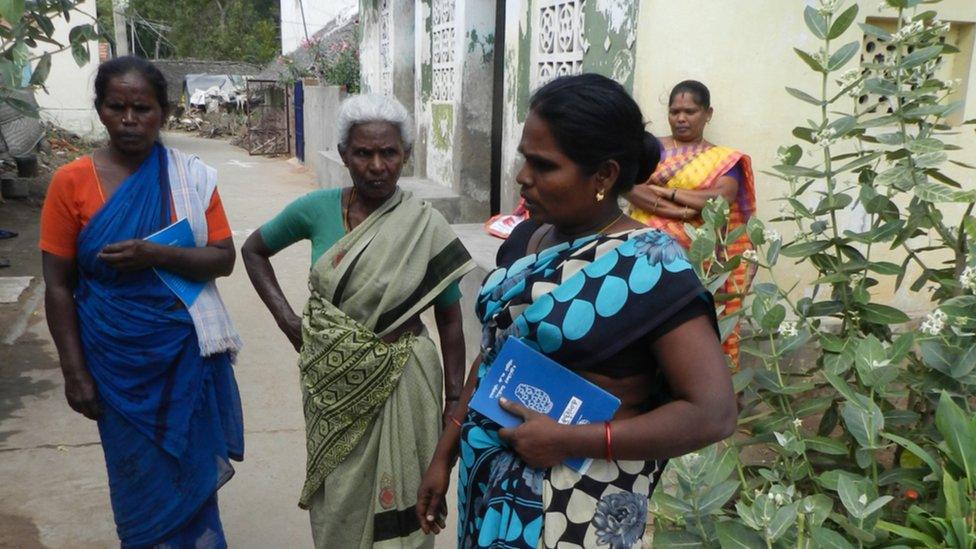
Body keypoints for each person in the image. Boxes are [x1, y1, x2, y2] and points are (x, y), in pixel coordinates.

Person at [415, 74, 737, 548]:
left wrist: (571, 441)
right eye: (526, 158)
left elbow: (713, 414)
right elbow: (495, 355)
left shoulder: (651, 268)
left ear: (604, 176)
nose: (523, 176)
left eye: (544, 165)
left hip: (579, 508)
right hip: (489, 487)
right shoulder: (530, 238)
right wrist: (445, 453)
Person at [241, 93, 475, 548]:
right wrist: (288, 321)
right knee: (339, 488)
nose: (376, 165)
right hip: (331, 380)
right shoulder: (316, 208)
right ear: (344, 154)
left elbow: (449, 319)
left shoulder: (424, 225)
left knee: (407, 489)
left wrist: (452, 400)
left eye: (388, 152)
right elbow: (253, 251)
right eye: (363, 153)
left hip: (406, 375)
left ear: (405, 155)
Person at [39, 56, 243, 548]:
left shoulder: (189, 177)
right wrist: (74, 372)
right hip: (113, 360)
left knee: (189, 466)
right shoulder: (70, 183)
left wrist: (156, 253)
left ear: (163, 113)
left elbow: (223, 259)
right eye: (117, 107)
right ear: (101, 110)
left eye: (142, 109)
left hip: (182, 355)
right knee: (135, 474)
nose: (130, 120)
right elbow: (57, 285)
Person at [625, 80, 757, 367]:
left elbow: (720, 199)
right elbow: (630, 187)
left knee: (688, 327)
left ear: (708, 113)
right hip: (640, 254)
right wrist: (682, 212)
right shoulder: (650, 148)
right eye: (674, 112)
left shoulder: (723, 159)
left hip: (698, 262)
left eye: (690, 111)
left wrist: (665, 192)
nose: (681, 118)